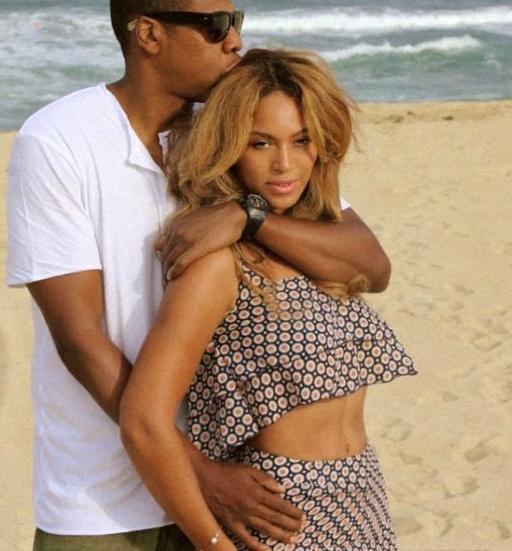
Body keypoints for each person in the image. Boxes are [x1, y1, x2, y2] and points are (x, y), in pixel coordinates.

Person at [6, 0, 391, 550]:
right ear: (149, 34)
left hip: (239, 480)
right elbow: (80, 338)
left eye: (237, 20)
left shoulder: (235, 133)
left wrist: (248, 214)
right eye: (216, 25)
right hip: (105, 497)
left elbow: (364, 258)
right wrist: (198, 472)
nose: (234, 39)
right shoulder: (60, 140)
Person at [120, 49, 416, 550]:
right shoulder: (218, 265)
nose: (285, 164)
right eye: (261, 144)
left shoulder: (319, 234)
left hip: (361, 494)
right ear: (231, 147)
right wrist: (214, 543)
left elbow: (376, 268)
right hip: (278, 505)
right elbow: (143, 421)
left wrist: (249, 214)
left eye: (301, 141)